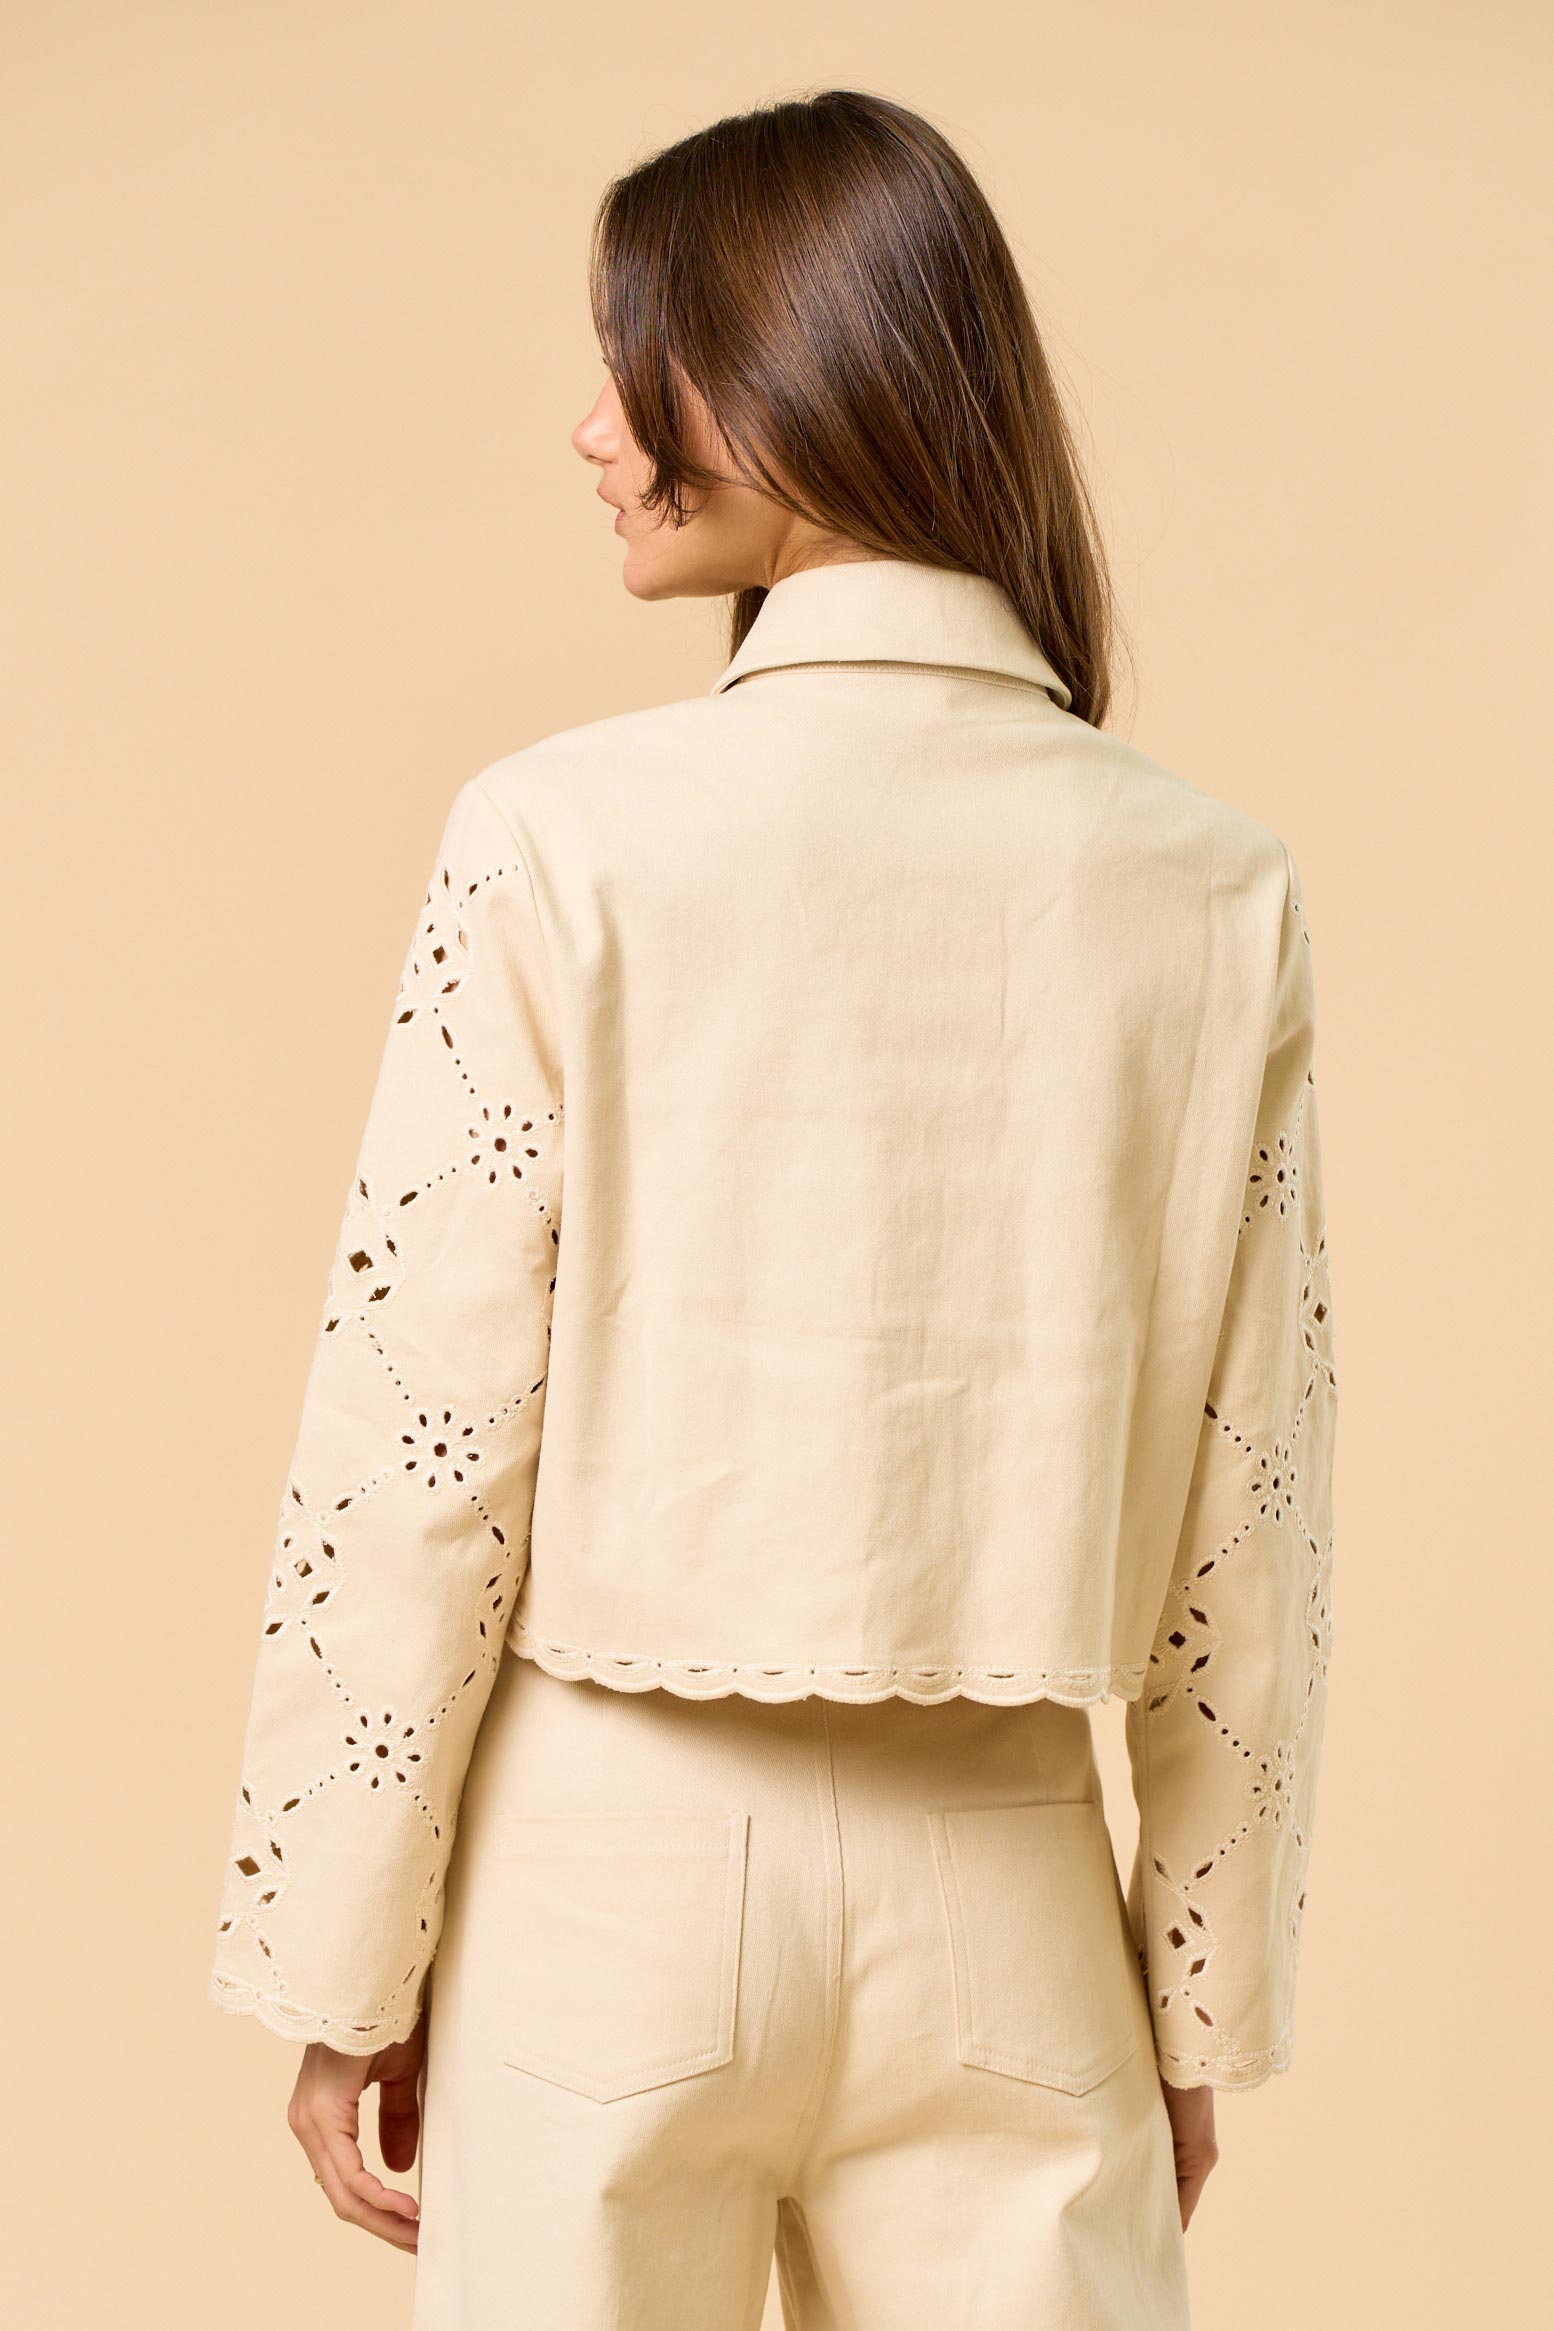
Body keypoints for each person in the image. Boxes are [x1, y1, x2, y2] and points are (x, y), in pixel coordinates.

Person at [208, 88, 1337, 2330]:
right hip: (1016, 1892)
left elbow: (426, 1448)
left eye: (631, 364)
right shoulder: (1212, 885)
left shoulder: (559, 838)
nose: (591, 430)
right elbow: (1250, 1523)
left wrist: (346, 1962)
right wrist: (1190, 1996)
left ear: (781, 378)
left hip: (601, 1895)